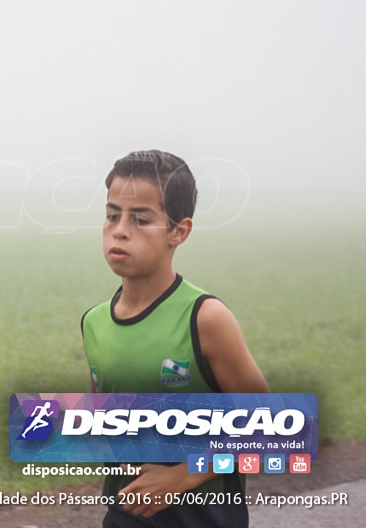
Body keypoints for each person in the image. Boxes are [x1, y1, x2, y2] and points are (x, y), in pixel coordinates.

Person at [80, 150, 268, 528]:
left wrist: (181, 476)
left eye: (141, 219)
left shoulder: (205, 318)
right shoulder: (94, 323)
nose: (119, 229)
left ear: (179, 231)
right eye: (112, 214)